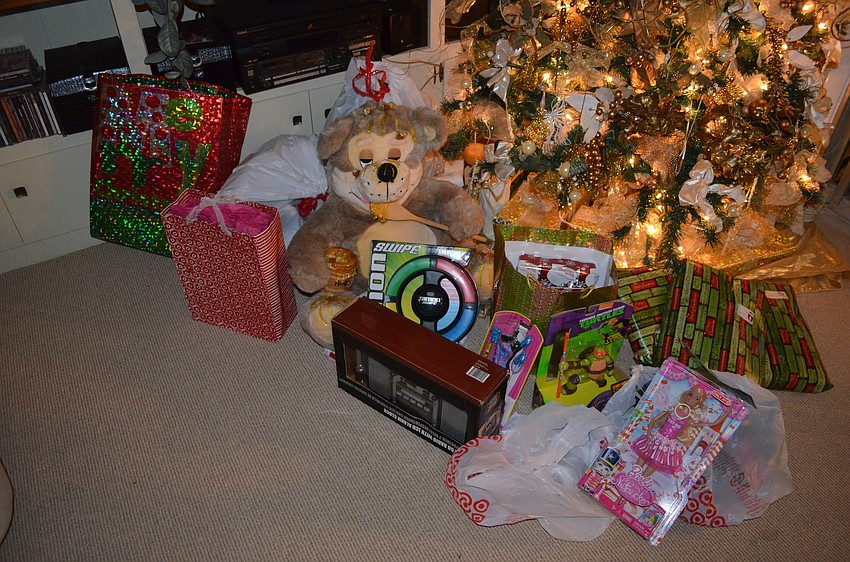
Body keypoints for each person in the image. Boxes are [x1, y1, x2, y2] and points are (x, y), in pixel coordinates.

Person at [631, 385, 730, 477]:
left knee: (655, 462)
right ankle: (632, 477)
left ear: (699, 404)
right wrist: (648, 436)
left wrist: (729, 410)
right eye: (690, 395)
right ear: (687, 394)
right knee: (642, 459)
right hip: (656, 437)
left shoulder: (689, 420)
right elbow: (653, 420)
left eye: (696, 398)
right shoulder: (674, 408)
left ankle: (639, 481)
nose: (691, 399)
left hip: (667, 445)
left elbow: (713, 424)